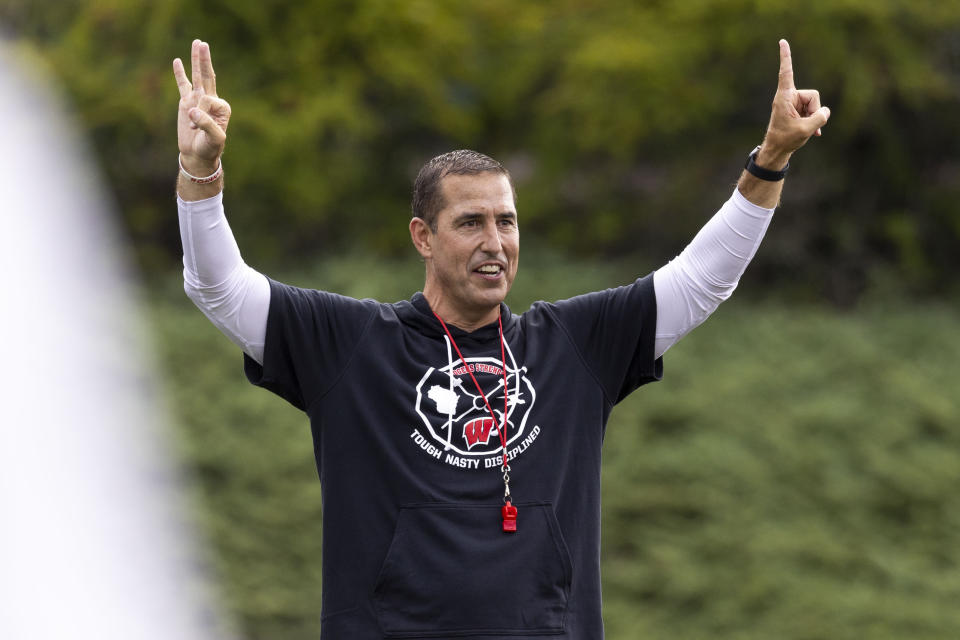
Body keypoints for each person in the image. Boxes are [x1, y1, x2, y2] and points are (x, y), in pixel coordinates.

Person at [174, 38, 829, 639]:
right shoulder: (352, 345)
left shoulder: (574, 345)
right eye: (471, 223)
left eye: (507, 222)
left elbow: (702, 282)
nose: (495, 244)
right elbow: (219, 288)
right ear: (423, 237)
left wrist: (769, 161)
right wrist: (201, 173)